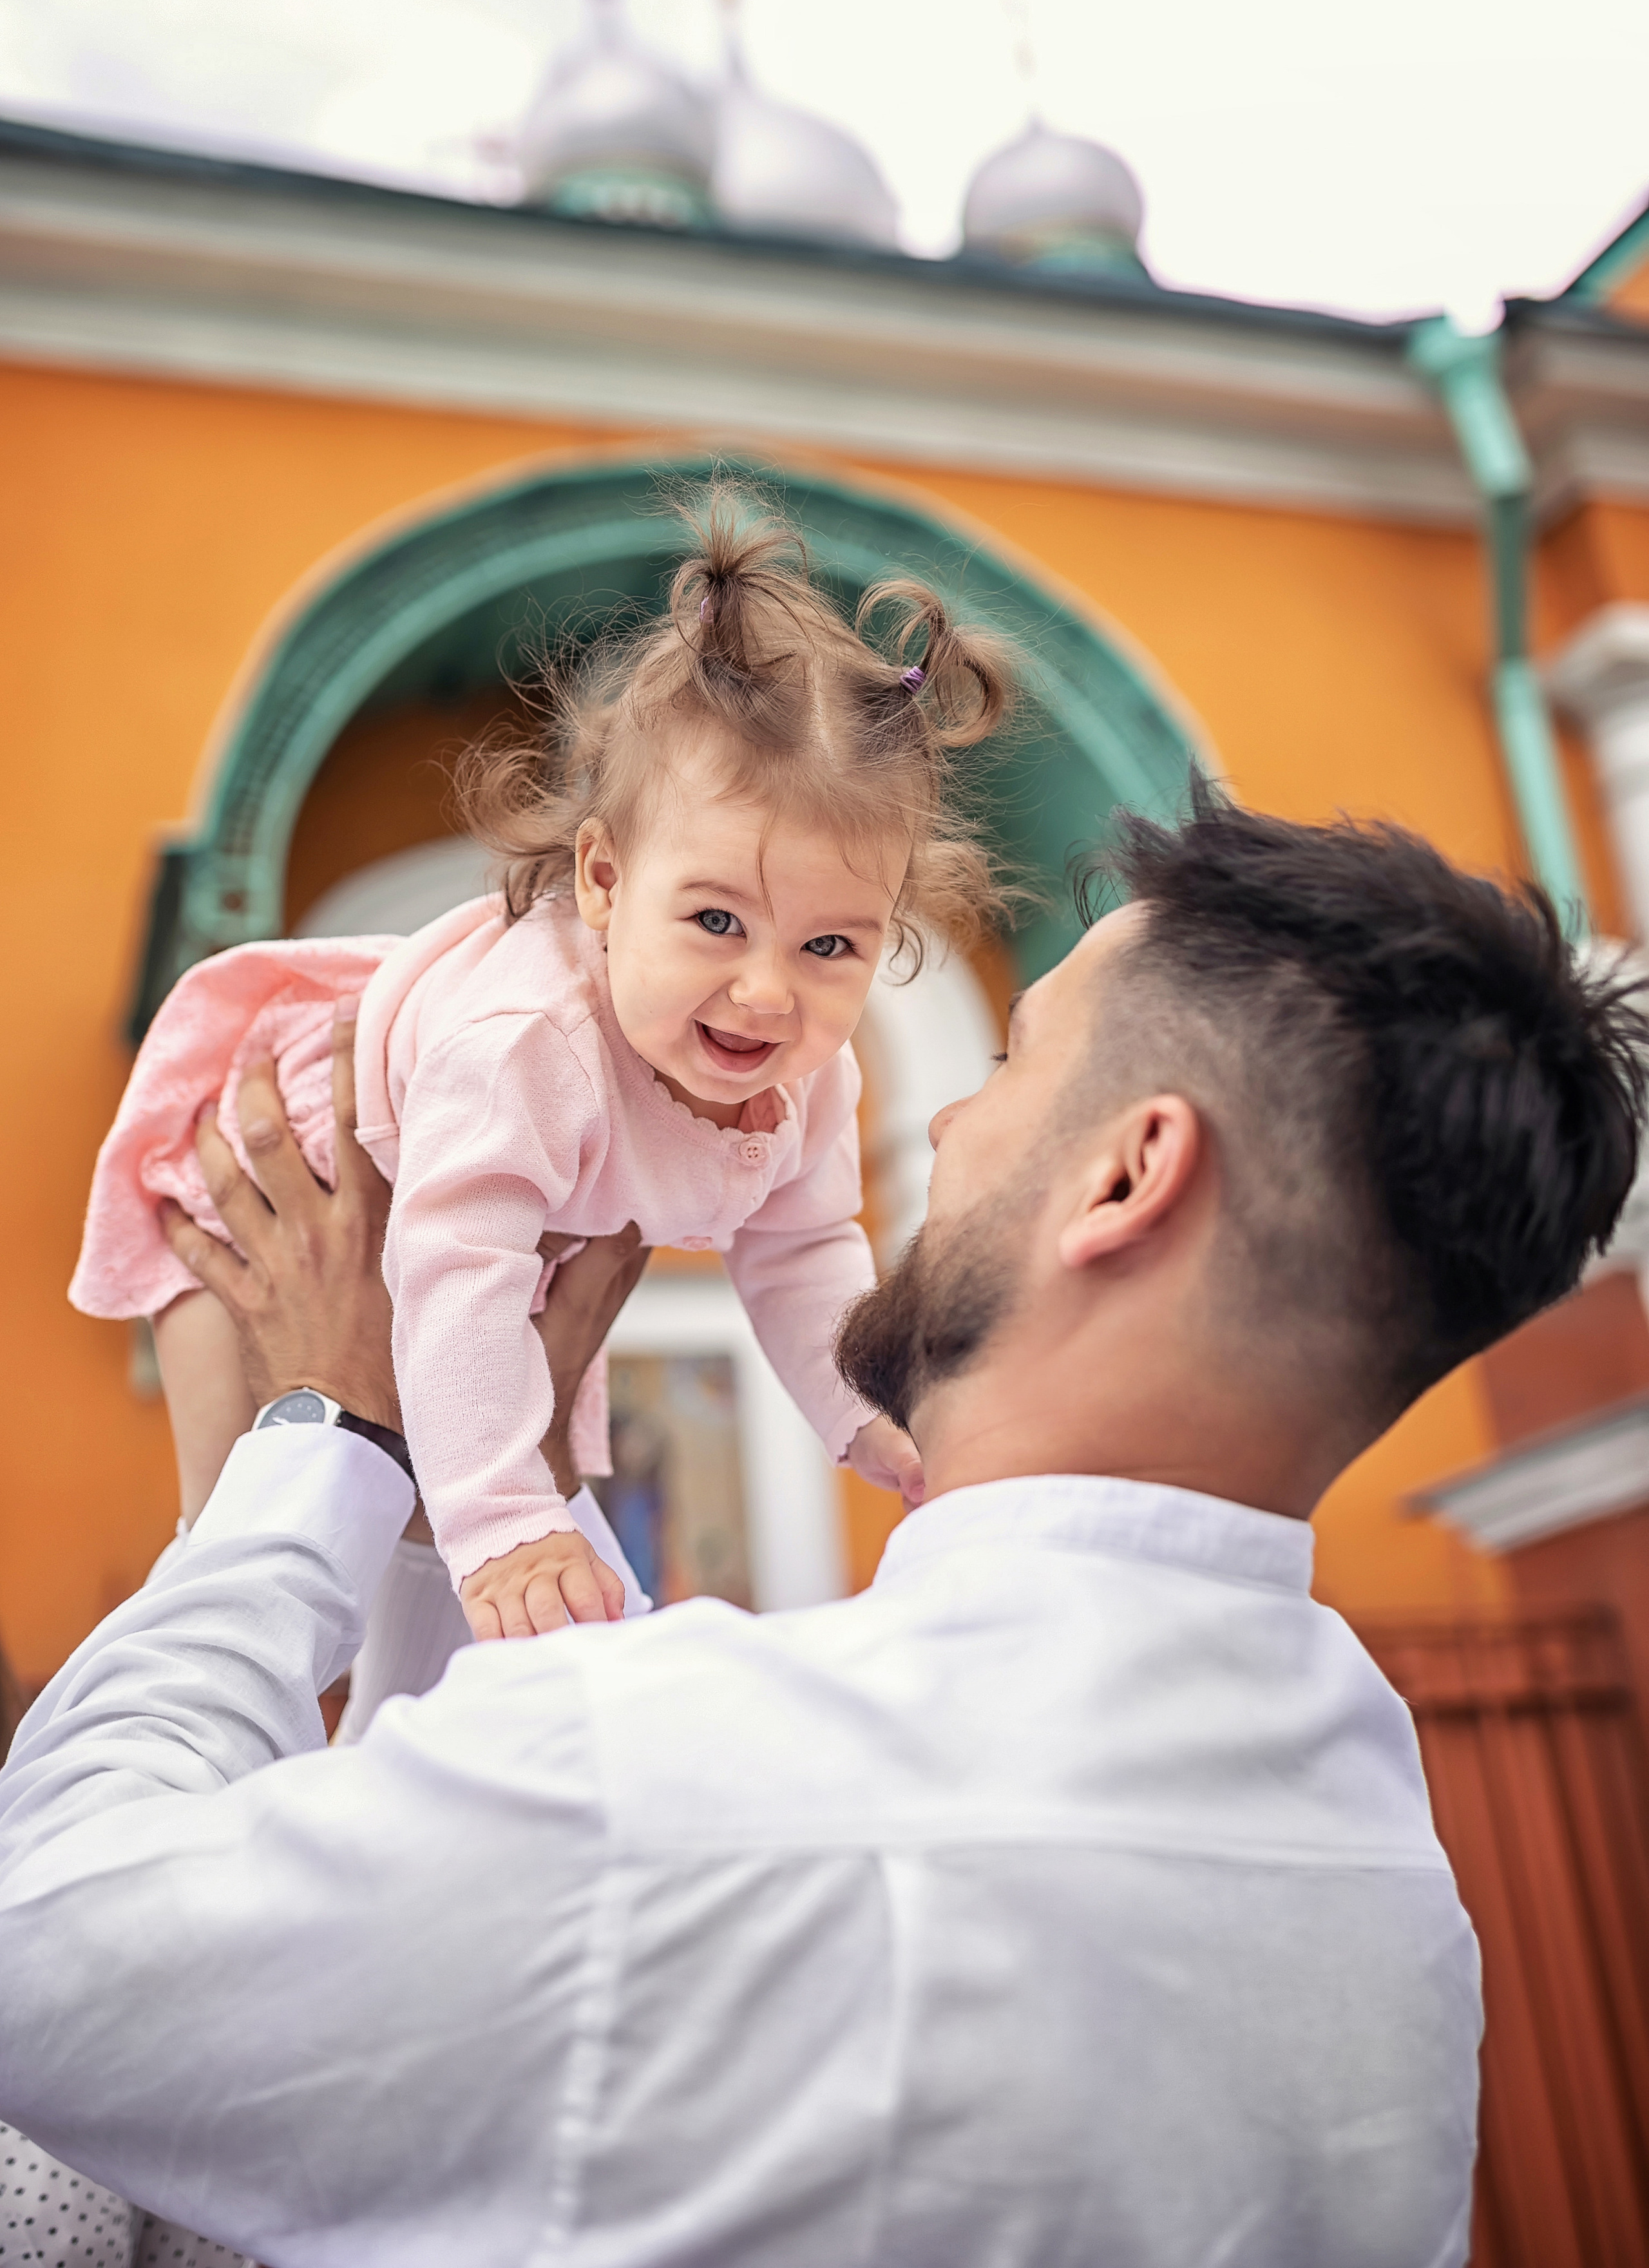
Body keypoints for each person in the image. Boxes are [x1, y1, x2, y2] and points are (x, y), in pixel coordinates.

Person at [4, 782, 1644, 2266]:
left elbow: (49, 1956)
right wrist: (458, 1519)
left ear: (1126, 1177)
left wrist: (329, 1434)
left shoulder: (668, 1787)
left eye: (1011, 1068)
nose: (937, 1123)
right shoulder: (1397, 1932)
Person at [68, 497, 1011, 1641]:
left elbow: (805, 1249)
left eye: (829, 946)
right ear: (604, 884)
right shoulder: (531, 1043)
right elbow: (458, 1265)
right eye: (717, 920)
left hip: (488, 1231)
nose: (769, 991)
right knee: (237, 1534)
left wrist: (869, 1414)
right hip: (290, 1157)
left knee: (415, 1528)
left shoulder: (808, 1075)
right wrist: (509, 1518)